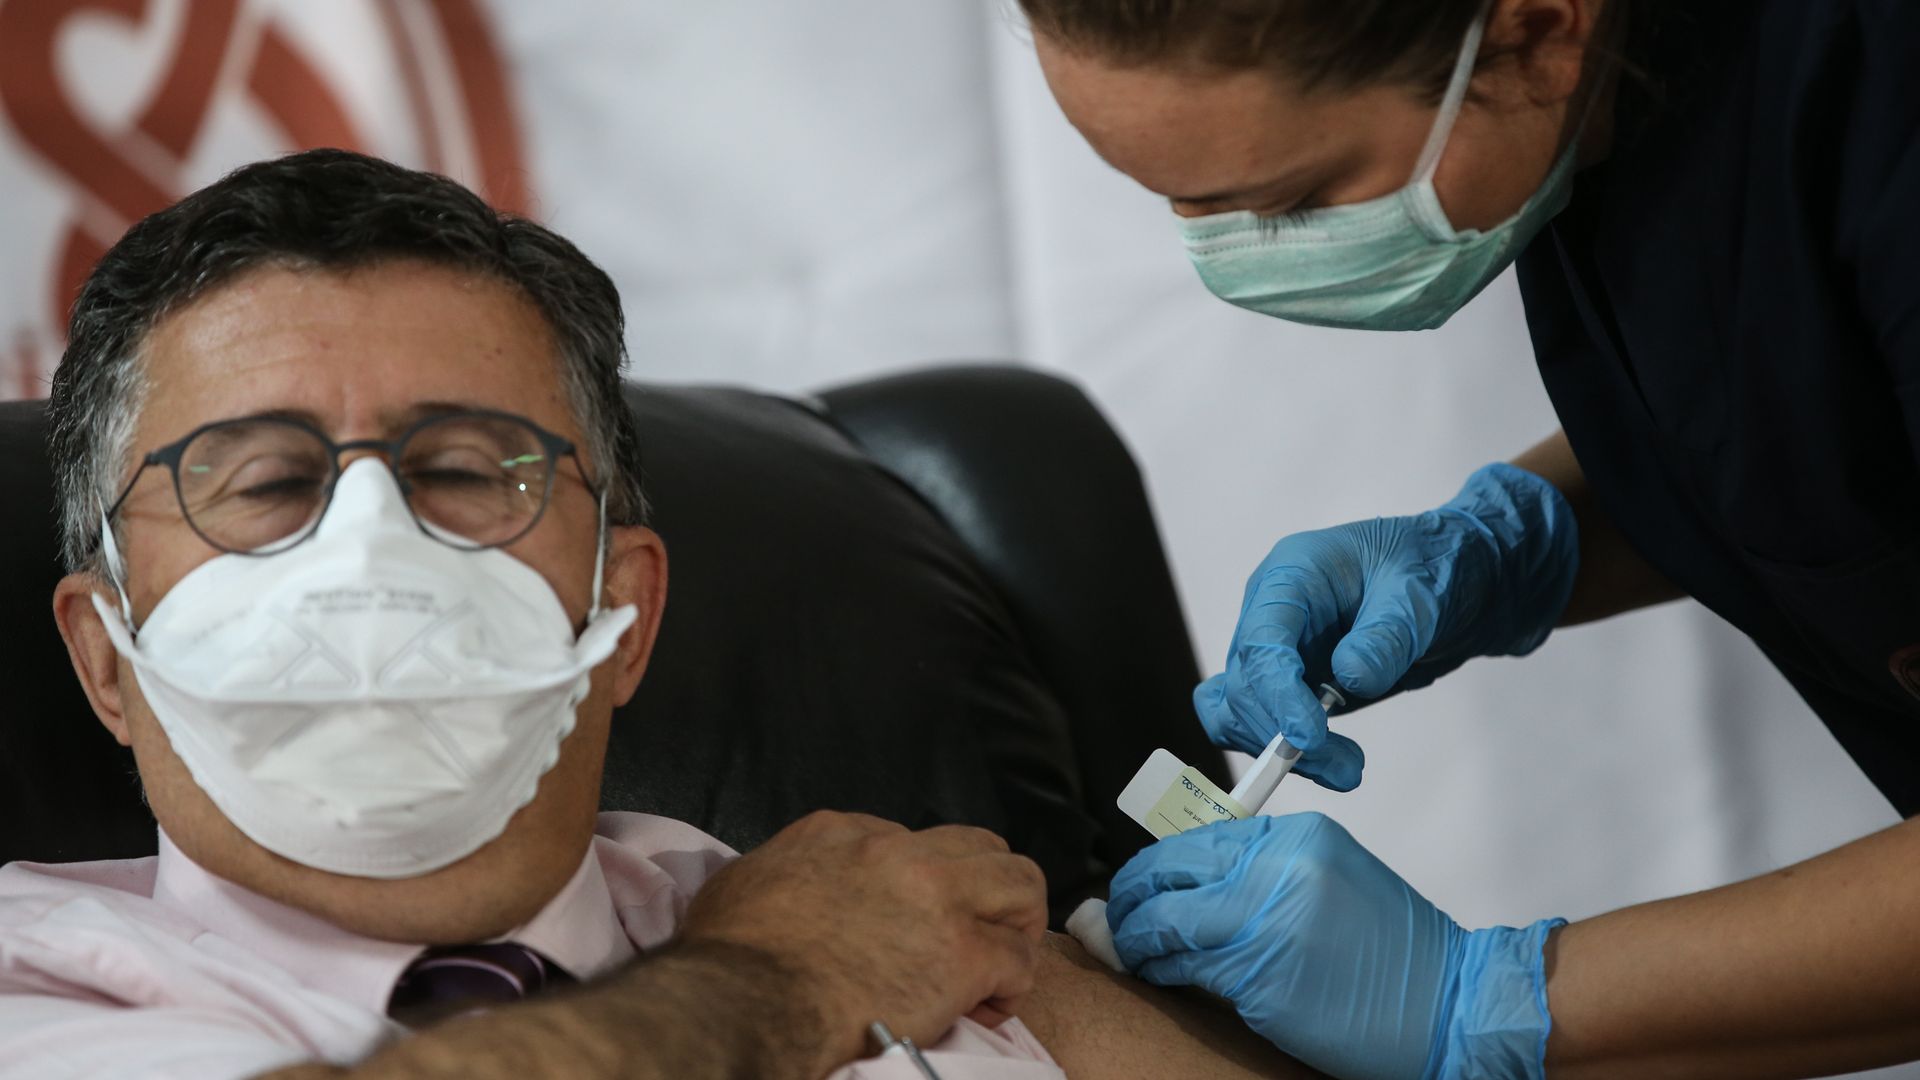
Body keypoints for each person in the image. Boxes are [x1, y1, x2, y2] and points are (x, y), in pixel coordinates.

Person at [0, 149, 1318, 1080]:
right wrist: (783, 988)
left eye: (466, 471)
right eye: (268, 482)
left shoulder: (877, 905)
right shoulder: (33, 993)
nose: (368, 554)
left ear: (624, 618)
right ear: (103, 658)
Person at [1018, 0, 1920, 1077]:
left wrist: (1481, 1002)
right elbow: (1793, 414)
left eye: (1296, 201)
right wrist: (1516, 541)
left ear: (1538, 30)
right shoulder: (1622, 101)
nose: (1240, 262)